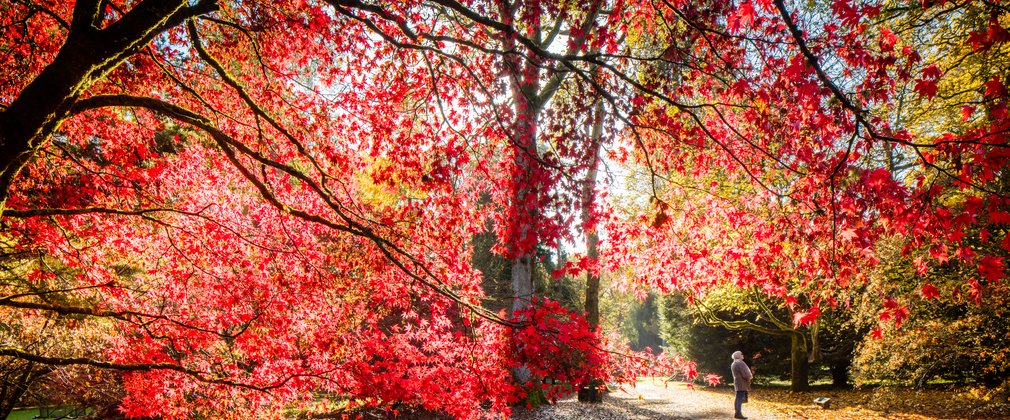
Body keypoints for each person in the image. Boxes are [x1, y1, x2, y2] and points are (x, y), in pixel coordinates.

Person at [731, 350, 752, 419]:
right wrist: (749, 378)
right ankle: (738, 414)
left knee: (738, 398)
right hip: (742, 382)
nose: (743, 355)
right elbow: (746, 374)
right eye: (741, 354)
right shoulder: (740, 363)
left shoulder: (734, 363)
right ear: (738, 356)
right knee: (739, 398)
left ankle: (737, 413)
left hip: (737, 382)